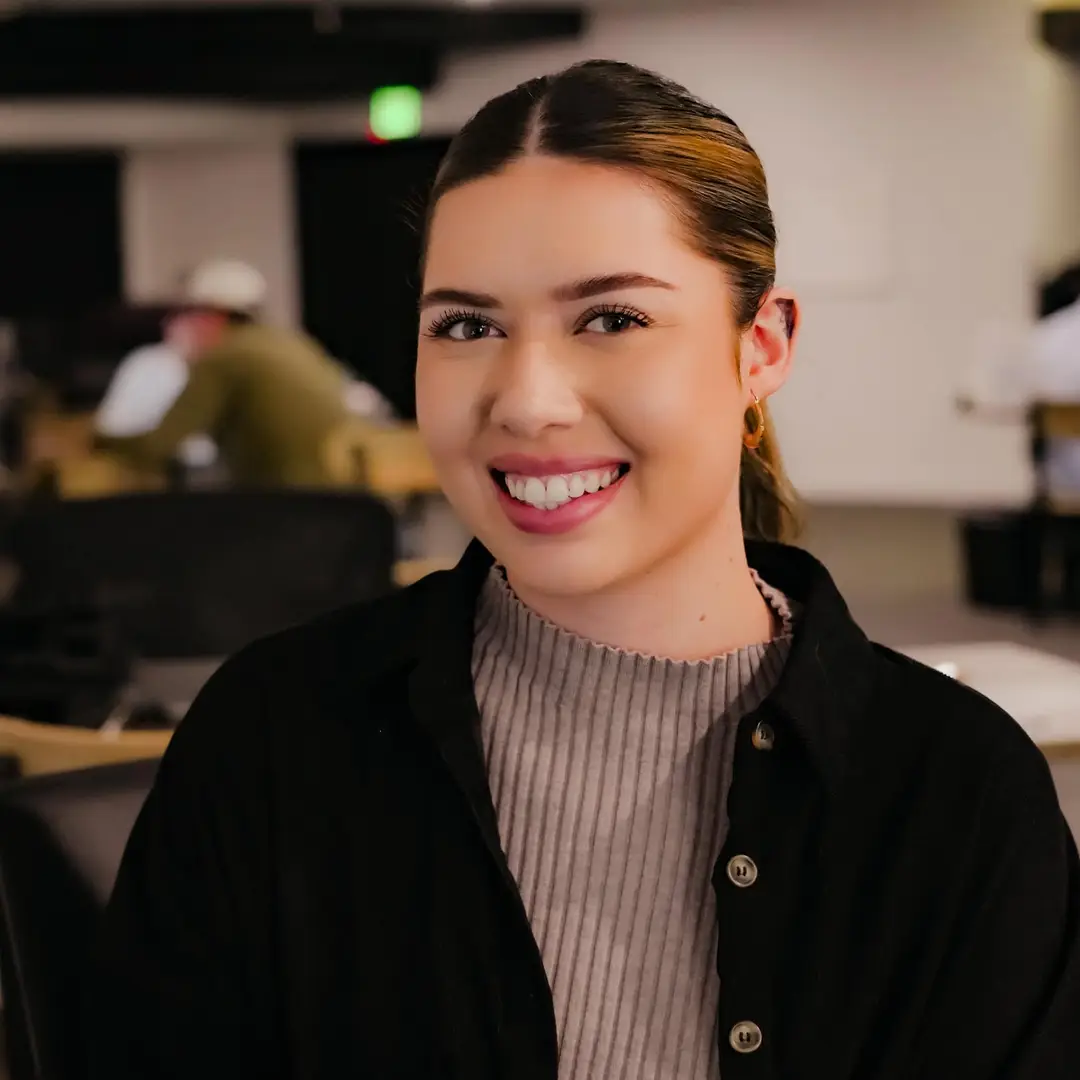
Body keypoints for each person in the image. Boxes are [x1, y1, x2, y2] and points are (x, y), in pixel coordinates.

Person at [87, 61, 1080, 1079]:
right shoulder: (273, 738)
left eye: (612, 319)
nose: (526, 402)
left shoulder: (957, 795)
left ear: (762, 346)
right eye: (467, 327)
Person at [95, 259, 351, 487]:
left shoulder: (225, 357)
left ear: (212, 315)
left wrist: (96, 441)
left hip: (285, 501)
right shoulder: (291, 344)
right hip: (337, 496)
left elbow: (158, 445)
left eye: (189, 313)